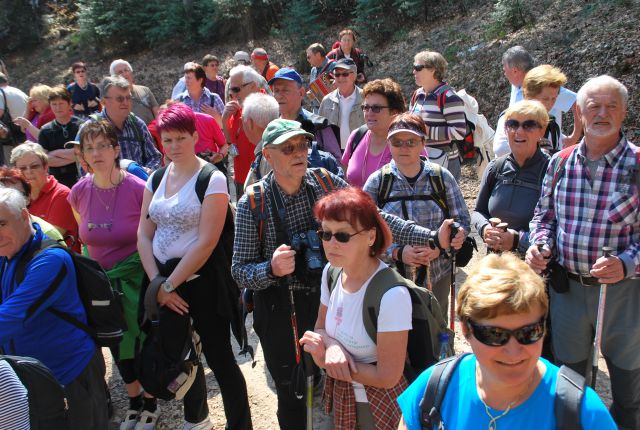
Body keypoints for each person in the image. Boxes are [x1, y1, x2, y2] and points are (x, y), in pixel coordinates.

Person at [232, 118, 463, 429]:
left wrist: (431, 237)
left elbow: (374, 219)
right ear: (268, 155)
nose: (300, 153)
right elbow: (239, 271)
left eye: (303, 145)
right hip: (281, 306)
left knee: (335, 380)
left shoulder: (325, 181)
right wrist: (270, 269)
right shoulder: (254, 202)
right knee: (293, 392)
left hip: (334, 291)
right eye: (288, 148)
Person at [526, 75, 640, 430]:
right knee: (571, 384)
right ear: (579, 112)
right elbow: (543, 216)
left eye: (611, 106)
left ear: (624, 113)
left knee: (629, 388)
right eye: (594, 106)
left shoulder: (638, 164)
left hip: (625, 293)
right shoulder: (560, 163)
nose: (602, 113)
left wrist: (626, 263)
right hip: (568, 290)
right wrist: (539, 243)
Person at [397, 252, 616, 429]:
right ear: (466, 329)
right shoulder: (432, 390)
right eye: (494, 335)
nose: (514, 351)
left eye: (529, 332)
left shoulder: (582, 413)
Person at [137, 103, 252, 430]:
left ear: (195, 136)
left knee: (220, 360)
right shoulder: (157, 177)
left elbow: (206, 242)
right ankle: (197, 419)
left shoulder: (211, 179)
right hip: (162, 283)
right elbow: (143, 234)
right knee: (180, 354)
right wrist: (158, 284)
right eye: (167, 139)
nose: (173, 146)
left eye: (180, 138)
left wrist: (169, 285)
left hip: (201, 285)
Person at [68, 120, 157, 430]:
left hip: (136, 278)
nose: (96, 153)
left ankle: (150, 400)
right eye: (88, 148)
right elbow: (85, 236)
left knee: (141, 339)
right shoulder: (78, 192)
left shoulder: (138, 188)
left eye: (102, 145)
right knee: (116, 342)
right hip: (102, 283)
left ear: (116, 149)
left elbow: (153, 234)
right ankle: (133, 401)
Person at [299, 187, 411, 429]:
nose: (331, 243)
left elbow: (388, 376)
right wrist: (331, 347)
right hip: (340, 396)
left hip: (377, 406)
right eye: (325, 234)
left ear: (371, 237)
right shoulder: (332, 272)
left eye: (342, 236)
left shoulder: (392, 295)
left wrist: (328, 362)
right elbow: (320, 327)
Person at [0, 187, 109, 429]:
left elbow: (12, 316)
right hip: (32, 379)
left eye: (2, 223)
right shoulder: (7, 254)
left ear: (25, 216)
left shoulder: (51, 260)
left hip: (70, 374)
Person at [363, 113, 470, 319]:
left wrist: (443, 247)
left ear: (423, 143)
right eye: (397, 141)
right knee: (396, 330)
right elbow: (364, 233)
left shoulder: (442, 178)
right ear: (388, 144)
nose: (404, 147)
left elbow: (462, 221)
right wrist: (396, 253)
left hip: (437, 272)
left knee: (436, 329)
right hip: (391, 276)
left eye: (411, 141)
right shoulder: (377, 183)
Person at [474, 100, 551, 255]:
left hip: (534, 268)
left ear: (542, 131)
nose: (519, 131)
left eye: (528, 125)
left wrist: (517, 240)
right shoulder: (496, 168)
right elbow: (478, 212)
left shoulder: (551, 171)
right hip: (496, 265)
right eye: (513, 124)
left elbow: (558, 230)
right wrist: (485, 229)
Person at [494, 65, 581, 157]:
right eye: (545, 99)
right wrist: (537, 151)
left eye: (554, 99)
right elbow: (500, 149)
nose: (550, 104)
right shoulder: (510, 118)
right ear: (528, 96)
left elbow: (557, 146)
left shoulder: (552, 125)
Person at [79, 76, 161, 172]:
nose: (126, 103)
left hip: (138, 185)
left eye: (128, 98)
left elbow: (154, 157)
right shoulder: (89, 128)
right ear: (104, 102)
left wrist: (146, 172)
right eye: (120, 99)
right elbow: (84, 169)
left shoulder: (138, 124)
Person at [502, 46, 580, 145]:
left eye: (505, 70)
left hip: (551, 153)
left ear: (515, 71)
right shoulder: (515, 86)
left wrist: (574, 138)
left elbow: (578, 102)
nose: (504, 74)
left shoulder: (546, 86)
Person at [408, 50, 466, 180]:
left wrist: (428, 131)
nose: (414, 72)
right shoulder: (417, 95)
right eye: (414, 68)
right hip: (421, 159)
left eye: (418, 68)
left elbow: (459, 132)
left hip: (445, 162)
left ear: (433, 70)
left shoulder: (449, 97)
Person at [10, 142, 79, 251]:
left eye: (34, 166)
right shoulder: (15, 197)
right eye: (22, 168)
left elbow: (48, 240)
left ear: (46, 167)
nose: (29, 172)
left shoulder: (62, 194)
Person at [342, 78, 405, 187]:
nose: (369, 113)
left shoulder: (408, 141)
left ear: (394, 112)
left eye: (376, 108)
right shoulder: (356, 136)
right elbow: (345, 178)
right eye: (366, 107)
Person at [269, 67, 342, 161]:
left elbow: (338, 165)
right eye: (276, 91)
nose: (279, 96)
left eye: (285, 90)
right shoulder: (272, 128)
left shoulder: (319, 126)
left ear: (301, 93)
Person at [222, 65, 264, 199]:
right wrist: (224, 120)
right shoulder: (237, 107)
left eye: (236, 89)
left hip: (261, 177)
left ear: (252, 86)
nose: (233, 95)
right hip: (241, 177)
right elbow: (230, 142)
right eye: (231, 90)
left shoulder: (267, 105)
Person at [0, 166, 66, 243]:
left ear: (28, 198)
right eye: (3, 195)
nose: (9, 202)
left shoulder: (47, 233)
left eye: (17, 195)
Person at [38, 85, 82, 188]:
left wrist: (56, 153)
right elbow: (45, 160)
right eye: (54, 104)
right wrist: (75, 157)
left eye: (61, 103)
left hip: (80, 176)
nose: (58, 108)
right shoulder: (45, 130)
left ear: (69, 103)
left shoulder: (81, 126)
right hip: (57, 181)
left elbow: (84, 154)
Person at [319, 58, 365, 151]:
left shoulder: (366, 98)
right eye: (337, 74)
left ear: (354, 75)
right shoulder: (327, 100)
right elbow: (320, 131)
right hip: (334, 155)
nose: (340, 78)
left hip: (360, 152)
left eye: (345, 74)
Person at [110, 59, 160, 125]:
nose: (124, 74)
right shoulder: (113, 100)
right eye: (120, 72)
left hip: (153, 132)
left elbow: (157, 113)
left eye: (126, 70)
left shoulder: (145, 90)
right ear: (114, 78)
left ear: (131, 72)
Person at [0, 72, 28, 163]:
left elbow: (0, 112)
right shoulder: (16, 90)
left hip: (13, 135)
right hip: (26, 129)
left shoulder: (0, 92)